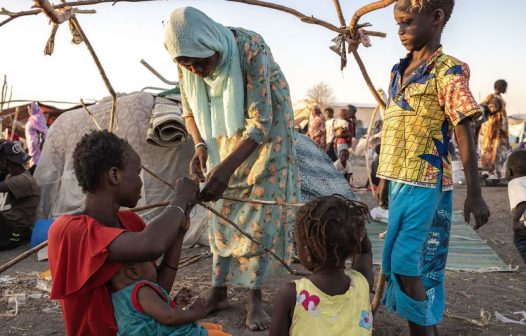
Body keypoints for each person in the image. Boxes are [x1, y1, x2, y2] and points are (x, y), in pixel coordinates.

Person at [164, 7, 302, 331]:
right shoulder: (185, 63)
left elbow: (261, 122)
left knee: (257, 211)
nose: (196, 70)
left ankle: (254, 298)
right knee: (222, 209)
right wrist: (200, 147)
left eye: (201, 61)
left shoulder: (250, 48)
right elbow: (188, 110)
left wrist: (225, 170)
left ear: (212, 43)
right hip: (222, 137)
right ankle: (218, 292)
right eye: (187, 64)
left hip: (267, 136)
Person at [375, 1, 490, 335]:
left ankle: (423, 330)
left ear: (437, 18)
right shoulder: (399, 70)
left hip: (425, 182)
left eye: (407, 22)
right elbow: (395, 128)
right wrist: (383, 178)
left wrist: (475, 194)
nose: (400, 32)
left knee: (406, 261)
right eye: (397, 24)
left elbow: (463, 132)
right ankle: (423, 326)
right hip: (398, 180)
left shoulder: (449, 71)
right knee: (399, 259)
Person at [47, 130, 200, 336]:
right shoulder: (69, 230)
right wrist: (180, 198)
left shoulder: (130, 222)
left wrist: (179, 234)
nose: (140, 181)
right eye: (137, 173)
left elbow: (154, 288)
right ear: (114, 175)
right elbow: (152, 246)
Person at [269, 195, 373, 336]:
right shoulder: (363, 282)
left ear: (307, 251)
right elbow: (365, 253)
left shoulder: (291, 294)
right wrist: (355, 231)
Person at [111, 260, 231, 336]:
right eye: (151, 262)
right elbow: (169, 317)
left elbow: (155, 316)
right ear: (133, 272)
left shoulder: (119, 297)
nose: (156, 266)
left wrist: (175, 303)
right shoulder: (142, 290)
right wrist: (194, 312)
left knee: (212, 327)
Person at [0, 141, 40, 251]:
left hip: (14, 233)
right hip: (8, 228)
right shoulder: (11, 176)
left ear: (5, 162)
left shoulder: (23, 180)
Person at [479, 81, 510, 177]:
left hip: (498, 129)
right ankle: (489, 172)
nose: (506, 89)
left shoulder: (497, 98)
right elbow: (489, 109)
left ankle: (495, 172)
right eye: (505, 87)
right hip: (493, 129)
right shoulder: (494, 98)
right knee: (491, 150)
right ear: (500, 87)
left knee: (498, 151)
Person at [505, 150, 526, 264]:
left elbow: (523, 201)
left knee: (520, 240)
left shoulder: (515, 183)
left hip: (524, 224)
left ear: (510, 171)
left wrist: (516, 221)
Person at [24, 102, 48, 174]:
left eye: (30, 109)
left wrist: (42, 143)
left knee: (36, 161)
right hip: (31, 143)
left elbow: (45, 131)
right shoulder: (32, 118)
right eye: (28, 109)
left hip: (36, 144)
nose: (29, 111)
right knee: (33, 159)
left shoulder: (36, 118)